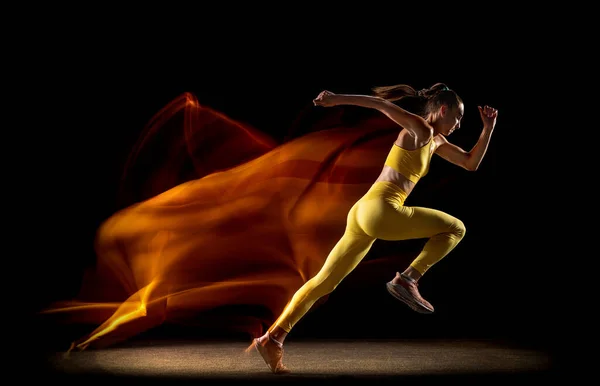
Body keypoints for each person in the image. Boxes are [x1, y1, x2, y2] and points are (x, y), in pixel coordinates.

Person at [246, 82, 498, 374]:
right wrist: (336, 98)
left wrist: (488, 128)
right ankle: (408, 279)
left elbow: (470, 163)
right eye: (458, 117)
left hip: (363, 212)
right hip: (381, 209)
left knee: (324, 281)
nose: (458, 124)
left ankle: (273, 338)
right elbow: (382, 106)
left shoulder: (436, 141)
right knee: (456, 229)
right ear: (443, 110)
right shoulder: (422, 129)